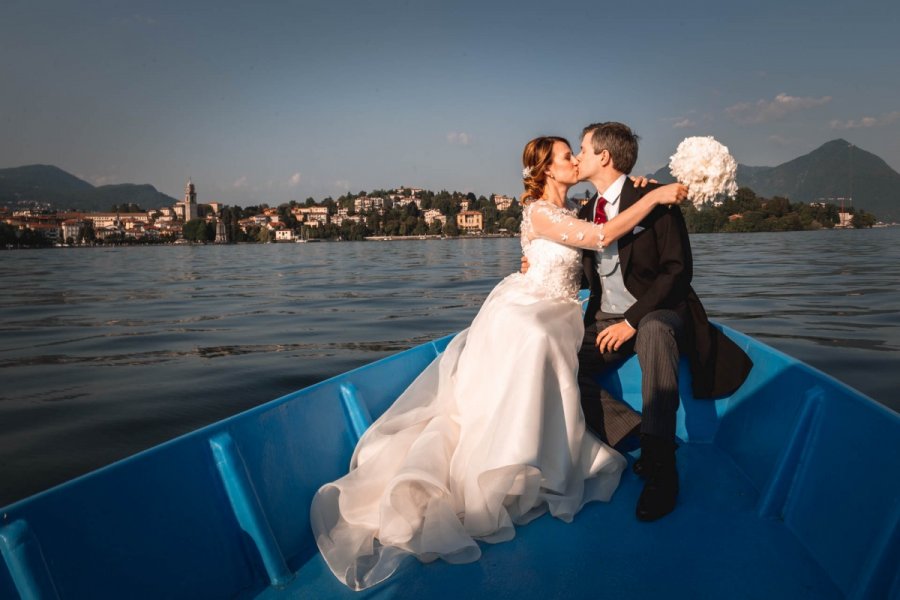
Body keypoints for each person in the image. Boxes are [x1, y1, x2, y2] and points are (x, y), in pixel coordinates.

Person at [309, 136, 688, 590]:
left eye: (577, 152)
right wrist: (659, 196)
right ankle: (527, 454)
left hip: (564, 310)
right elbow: (602, 238)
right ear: (548, 169)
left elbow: (606, 220)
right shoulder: (541, 212)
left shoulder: (582, 209)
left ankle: (634, 441)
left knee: (559, 348)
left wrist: (644, 186)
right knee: (538, 341)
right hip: (531, 308)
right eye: (568, 156)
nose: (575, 160)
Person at [569, 122, 754, 522]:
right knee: (560, 368)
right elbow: (587, 277)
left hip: (658, 310)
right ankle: (635, 432)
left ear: (603, 156)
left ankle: (661, 468)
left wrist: (632, 322)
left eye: (582, 149)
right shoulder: (586, 212)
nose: (577, 156)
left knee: (653, 330)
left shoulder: (655, 198)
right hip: (603, 317)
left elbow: (677, 271)